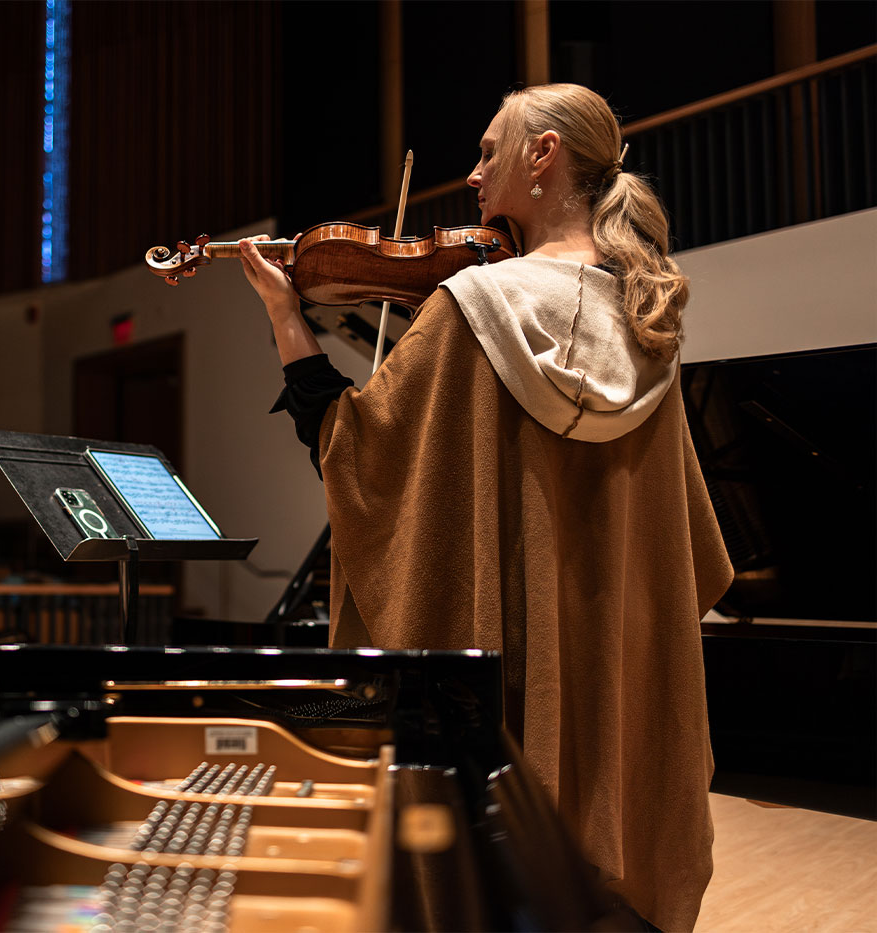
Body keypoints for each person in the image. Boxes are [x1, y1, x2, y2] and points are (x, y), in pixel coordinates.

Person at [238, 83, 733, 932]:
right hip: (612, 686)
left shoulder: (474, 309)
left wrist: (288, 314)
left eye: (489, 151)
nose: (472, 175)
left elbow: (353, 455)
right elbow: (688, 552)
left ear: (544, 156)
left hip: (504, 694)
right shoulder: (649, 323)